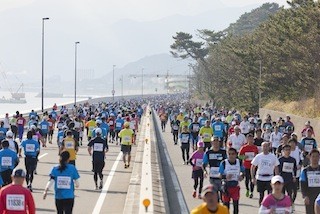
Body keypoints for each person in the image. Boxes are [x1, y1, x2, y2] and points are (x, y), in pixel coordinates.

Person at [219, 147, 245, 214]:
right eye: (229, 154)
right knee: (226, 207)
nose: (231, 156)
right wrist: (225, 176)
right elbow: (219, 175)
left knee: (236, 206)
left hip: (235, 186)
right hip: (226, 187)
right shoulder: (224, 163)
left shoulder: (239, 162)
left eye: (233, 154)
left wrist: (241, 176)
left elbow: (243, 172)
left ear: (236, 155)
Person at [300, 149, 320, 214]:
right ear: (309, 157)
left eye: (317, 156)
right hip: (309, 197)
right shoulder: (305, 170)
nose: (315, 158)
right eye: (313, 156)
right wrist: (305, 196)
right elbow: (302, 184)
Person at [238, 133, 258, 198]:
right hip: (246, 165)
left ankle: (251, 192)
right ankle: (247, 189)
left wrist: (255, 157)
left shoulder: (255, 147)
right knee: (247, 179)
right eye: (249, 139)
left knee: (252, 178)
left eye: (251, 139)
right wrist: (244, 157)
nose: (250, 140)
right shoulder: (244, 147)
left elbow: (257, 156)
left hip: (253, 166)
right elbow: (239, 156)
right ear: (247, 139)